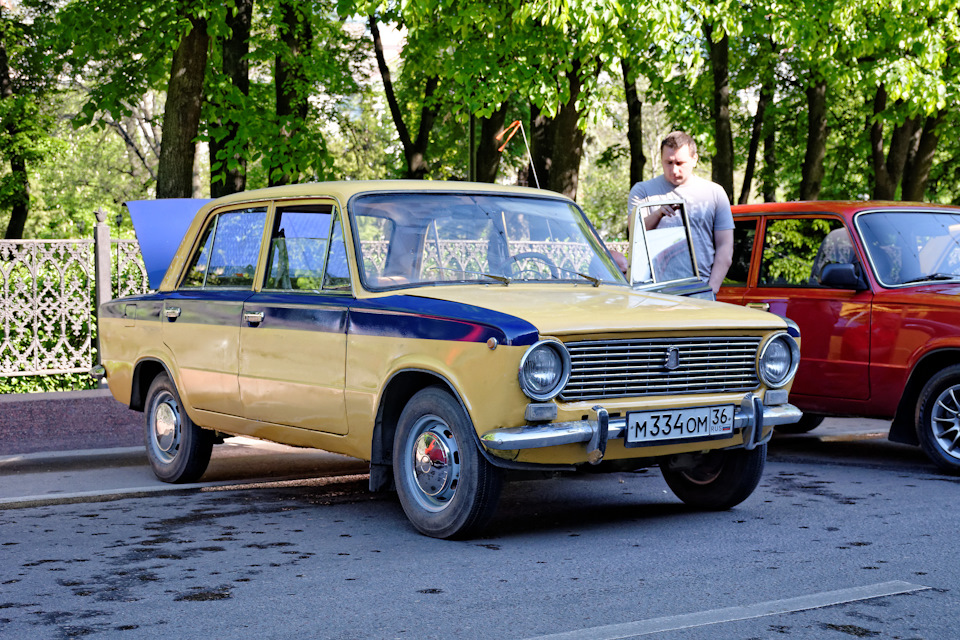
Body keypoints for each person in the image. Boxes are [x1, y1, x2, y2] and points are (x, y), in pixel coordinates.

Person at [621, 131, 734, 294]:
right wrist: (658, 214)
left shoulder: (715, 193)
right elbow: (635, 235)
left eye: (680, 163)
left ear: (695, 159)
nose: (674, 170)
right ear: (661, 160)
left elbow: (725, 246)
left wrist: (711, 289)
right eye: (668, 162)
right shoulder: (643, 191)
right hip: (653, 289)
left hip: (698, 288)